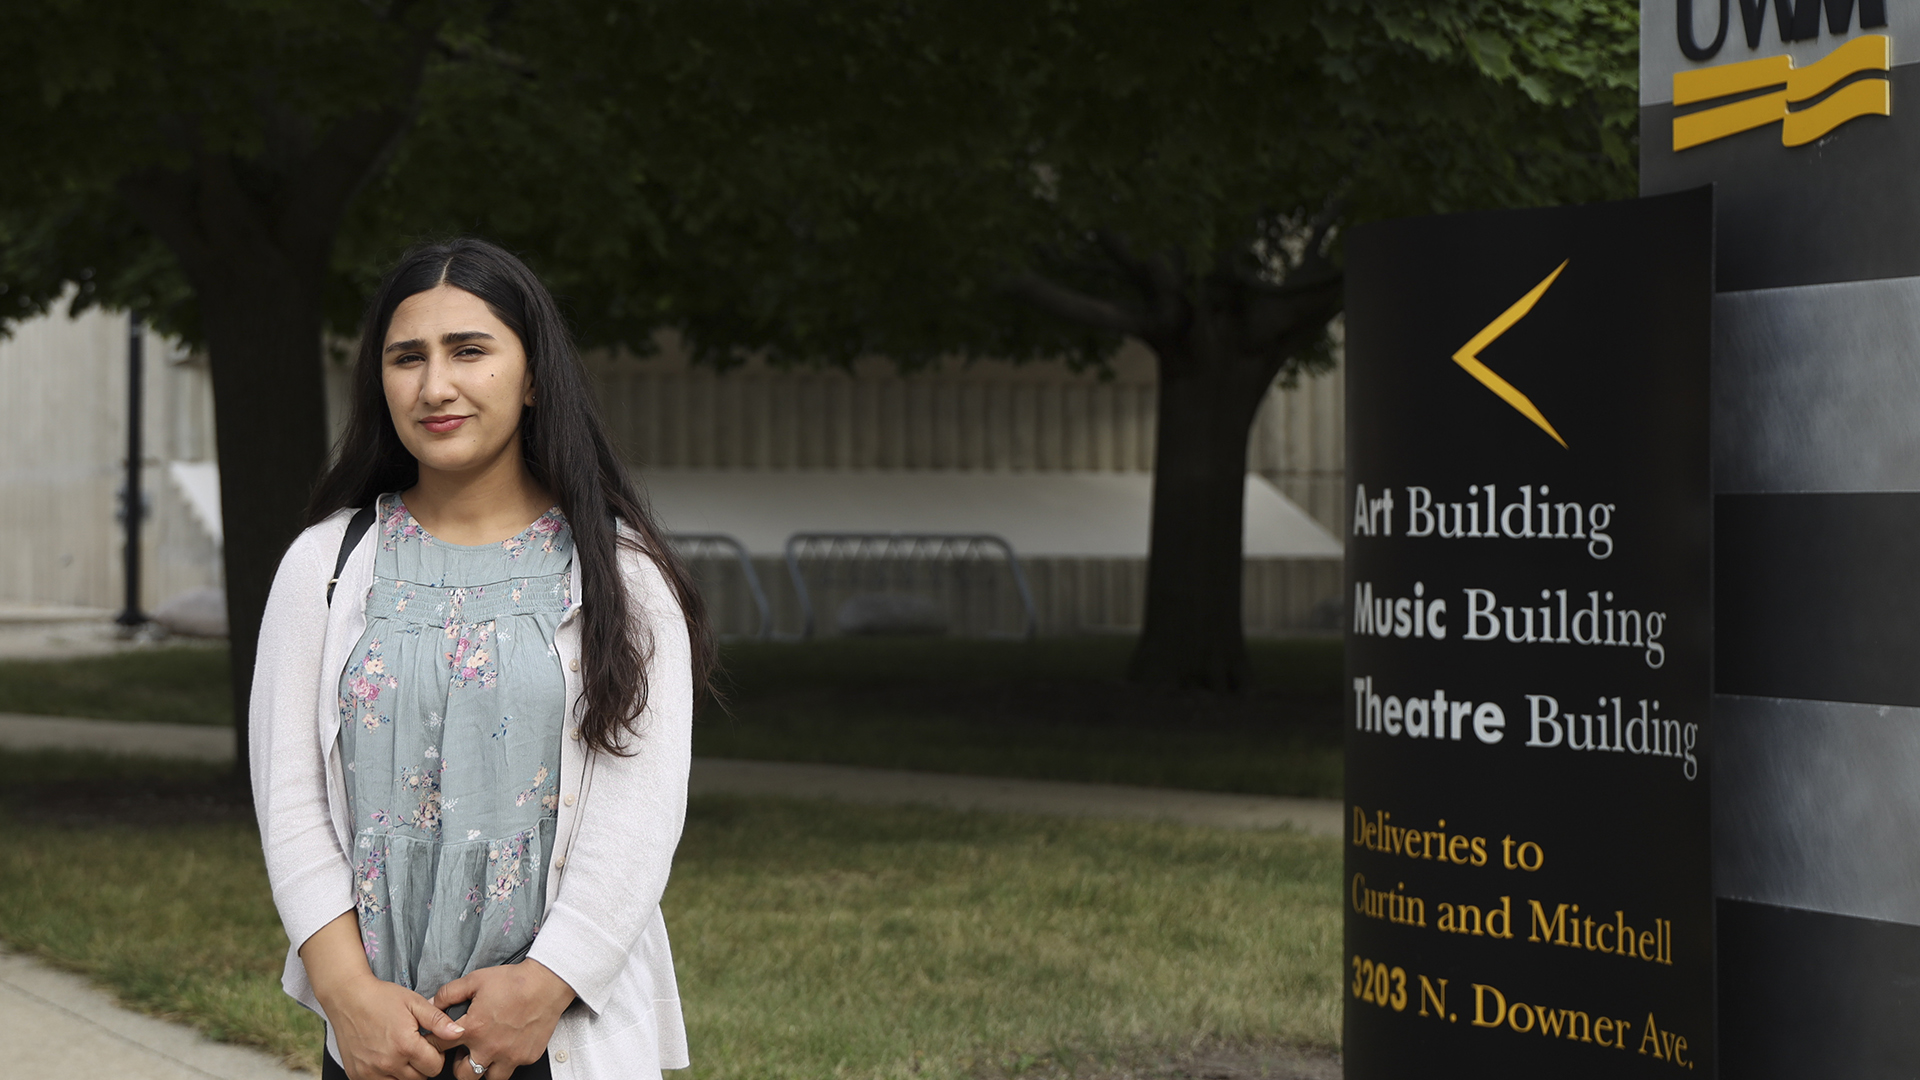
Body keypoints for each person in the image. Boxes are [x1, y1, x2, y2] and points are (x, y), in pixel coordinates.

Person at [248, 237, 714, 1080]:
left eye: (470, 351)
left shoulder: (623, 574)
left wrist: (543, 989)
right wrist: (348, 994)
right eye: (407, 358)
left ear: (533, 377)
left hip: (556, 1030)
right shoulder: (325, 567)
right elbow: (289, 801)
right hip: (380, 1036)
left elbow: (640, 818)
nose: (436, 386)